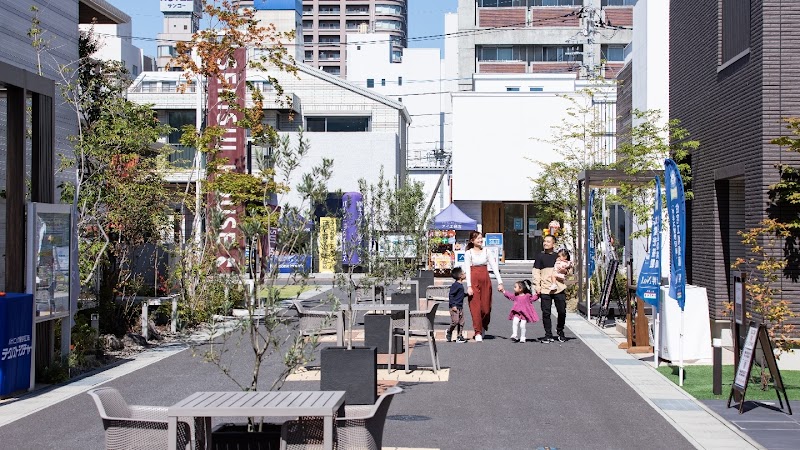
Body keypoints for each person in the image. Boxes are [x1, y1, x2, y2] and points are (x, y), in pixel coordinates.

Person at [464, 231, 504, 342]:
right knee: (475, 307)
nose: (480, 240)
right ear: (472, 240)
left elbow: (494, 267)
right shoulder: (469, 253)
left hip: (485, 280)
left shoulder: (487, 251)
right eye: (478, 238)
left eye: (481, 238)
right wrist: (469, 286)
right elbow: (467, 269)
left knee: (486, 309)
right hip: (474, 280)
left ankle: (483, 325)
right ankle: (477, 331)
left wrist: (500, 282)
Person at [533, 234, 570, 343]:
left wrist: (566, 272)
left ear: (554, 244)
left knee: (562, 311)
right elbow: (536, 272)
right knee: (546, 312)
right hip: (545, 288)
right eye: (544, 241)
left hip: (559, 287)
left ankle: (560, 331)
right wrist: (537, 286)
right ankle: (548, 334)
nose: (545, 243)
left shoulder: (558, 257)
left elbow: (568, 269)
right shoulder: (540, 256)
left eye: (548, 241)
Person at [446, 267, 467, 343]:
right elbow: (451, 295)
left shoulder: (460, 285)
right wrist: (453, 305)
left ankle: (459, 336)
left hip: (460, 306)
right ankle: (449, 331)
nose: (465, 274)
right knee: (455, 321)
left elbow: (460, 295)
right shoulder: (455, 285)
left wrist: (467, 294)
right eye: (464, 273)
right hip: (454, 307)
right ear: (460, 276)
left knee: (462, 322)